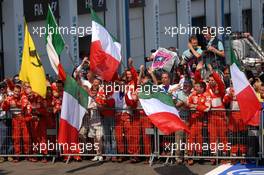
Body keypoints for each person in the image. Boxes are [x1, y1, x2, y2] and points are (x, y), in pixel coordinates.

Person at [1, 84, 31, 163]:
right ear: (13, 91)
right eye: (15, 91)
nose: (17, 93)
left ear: (20, 91)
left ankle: (27, 155)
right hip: (15, 120)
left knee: (26, 138)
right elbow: (4, 108)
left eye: (18, 91)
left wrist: (16, 103)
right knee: (16, 138)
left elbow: (24, 105)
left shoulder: (23, 97)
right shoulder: (9, 98)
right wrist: (6, 101)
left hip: (23, 119)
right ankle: (17, 156)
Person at [223, 86, 247, 164]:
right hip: (232, 117)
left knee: (242, 138)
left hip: (242, 116)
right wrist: (229, 95)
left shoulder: (244, 89)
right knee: (233, 138)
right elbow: (225, 101)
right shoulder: (229, 90)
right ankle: (234, 155)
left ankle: (243, 156)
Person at [173, 79, 193, 164]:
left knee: (188, 139)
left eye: (187, 85)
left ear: (190, 86)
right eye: (184, 85)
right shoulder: (178, 93)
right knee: (179, 139)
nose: (185, 86)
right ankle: (178, 158)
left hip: (189, 119)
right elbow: (173, 105)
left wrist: (188, 106)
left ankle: (187, 156)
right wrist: (180, 104)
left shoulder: (193, 94)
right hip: (180, 118)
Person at [0, 80, 13, 163]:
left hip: (10, 118)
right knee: (2, 138)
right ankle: (1, 155)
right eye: (1, 88)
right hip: (2, 118)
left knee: (10, 137)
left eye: (4, 87)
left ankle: (10, 154)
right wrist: (3, 100)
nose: (2, 89)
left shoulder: (10, 94)